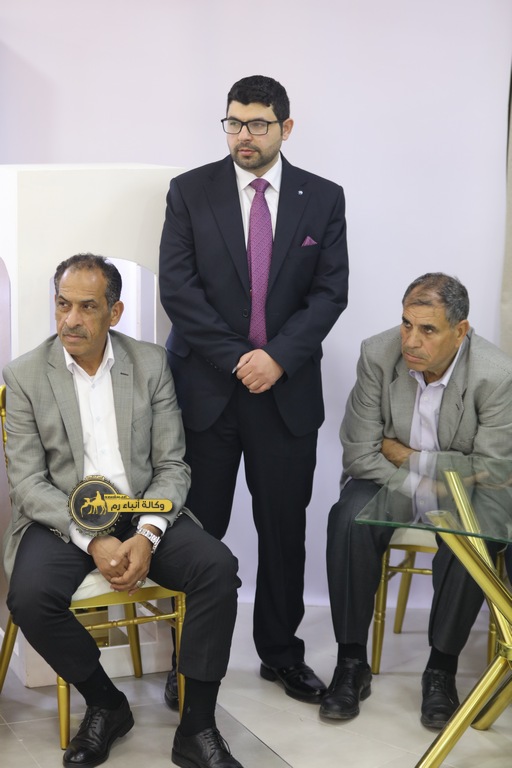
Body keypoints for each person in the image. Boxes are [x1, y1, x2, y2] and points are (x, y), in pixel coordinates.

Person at [2, 254, 244, 768]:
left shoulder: (150, 364)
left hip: (141, 508)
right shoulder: (24, 374)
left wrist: (148, 533)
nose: (70, 320)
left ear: (115, 312)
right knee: (29, 597)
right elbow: (27, 483)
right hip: (63, 515)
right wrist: (93, 539)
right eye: (63, 304)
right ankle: (106, 704)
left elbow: (172, 464)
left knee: (217, 568)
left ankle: (197, 727)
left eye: (87, 307)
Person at [158, 74, 349, 705]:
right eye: (234, 123)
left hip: (284, 395)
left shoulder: (323, 198)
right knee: (197, 534)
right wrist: (243, 358)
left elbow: (329, 293)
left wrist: (278, 360)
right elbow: (179, 290)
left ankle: (281, 653)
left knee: (283, 531)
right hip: (207, 393)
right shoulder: (190, 191)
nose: (245, 135)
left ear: (285, 128)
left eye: (258, 124)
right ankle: (189, 664)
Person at [323, 272, 512, 728]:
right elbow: (360, 453)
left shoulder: (495, 373)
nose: (411, 340)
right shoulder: (378, 353)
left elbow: (491, 470)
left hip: (464, 491)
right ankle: (351, 663)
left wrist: (410, 456)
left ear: (460, 331)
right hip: (387, 481)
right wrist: (424, 479)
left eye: (428, 329)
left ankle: (441, 670)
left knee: (474, 535)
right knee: (348, 518)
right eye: (407, 324)